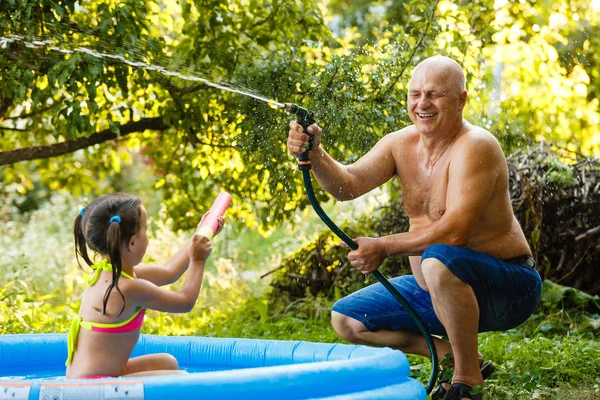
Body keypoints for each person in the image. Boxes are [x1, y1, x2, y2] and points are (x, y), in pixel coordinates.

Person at [286, 56, 542, 400]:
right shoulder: (400, 144)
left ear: (461, 99)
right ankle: (451, 355)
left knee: (437, 258)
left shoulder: (475, 146)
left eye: (434, 95)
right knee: (346, 320)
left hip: (508, 289)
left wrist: (383, 247)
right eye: (415, 94)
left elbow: (456, 233)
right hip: (435, 290)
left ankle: (466, 383)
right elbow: (347, 186)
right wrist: (316, 155)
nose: (422, 103)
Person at [65, 193, 224, 379]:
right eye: (146, 231)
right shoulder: (128, 289)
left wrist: (199, 234)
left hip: (89, 378)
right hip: (95, 388)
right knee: (181, 379)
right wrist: (198, 260)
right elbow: (185, 302)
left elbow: (169, 272)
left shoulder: (111, 273)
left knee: (167, 363)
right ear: (132, 243)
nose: (148, 237)